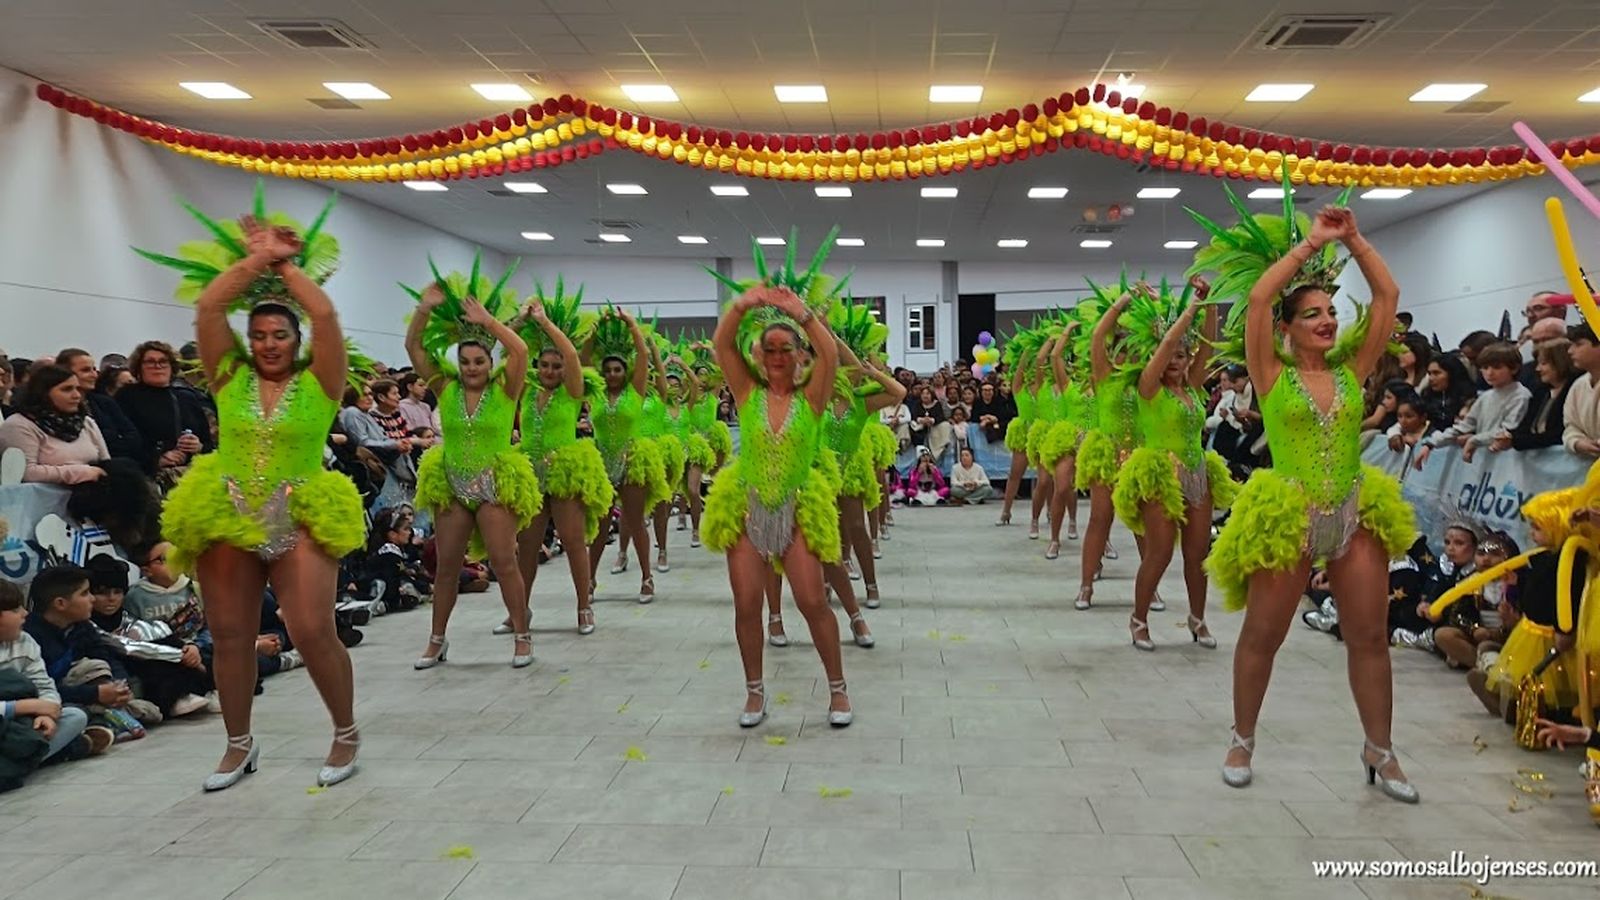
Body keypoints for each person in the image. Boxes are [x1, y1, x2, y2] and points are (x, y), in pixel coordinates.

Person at [1196, 198, 1417, 801]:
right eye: (1312, 314)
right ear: (1288, 328)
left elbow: (1387, 298)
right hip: (1289, 510)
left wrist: (1356, 240)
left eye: (1329, 312)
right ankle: (1242, 737)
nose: (1326, 321)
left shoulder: (1353, 369)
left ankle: (1381, 748)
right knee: (1264, 636)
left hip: (1354, 507)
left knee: (1369, 636)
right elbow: (1261, 300)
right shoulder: (1270, 372)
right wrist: (1313, 244)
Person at [149, 204, 366, 791]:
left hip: (301, 507)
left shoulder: (322, 381)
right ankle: (238, 744)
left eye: (280, 335)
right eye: (260, 335)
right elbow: (209, 306)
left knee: (311, 627)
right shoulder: (229, 376)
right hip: (229, 509)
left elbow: (324, 312)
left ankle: (345, 731)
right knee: (229, 633)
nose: (269, 344)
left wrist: (285, 266)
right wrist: (255, 262)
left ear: (297, 340)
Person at [703, 277, 853, 729]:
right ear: (757, 355)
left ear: (798, 354)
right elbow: (720, 342)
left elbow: (831, 353)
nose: (776, 356)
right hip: (747, 505)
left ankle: (838, 689)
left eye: (785, 348)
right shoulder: (746, 394)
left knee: (811, 600)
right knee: (747, 604)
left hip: (798, 506)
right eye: (768, 349)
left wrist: (799, 310)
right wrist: (745, 302)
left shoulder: (813, 397)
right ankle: (754, 692)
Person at [406, 275, 540, 670]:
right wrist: (424, 308)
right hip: (452, 483)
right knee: (446, 567)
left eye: (479, 361)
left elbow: (519, 350)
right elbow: (413, 346)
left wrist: (487, 323)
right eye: (464, 361)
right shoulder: (445, 387)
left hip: (493, 484)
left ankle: (521, 634)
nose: (471, 368)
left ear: (489, 361)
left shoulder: (506, 390)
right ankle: (436, 640)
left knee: (504, 561)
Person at [1112, 278, 1232, 651]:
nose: (1176, 361)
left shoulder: (1193, 388)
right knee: (1160, 553)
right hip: (1161, 477)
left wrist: (1208, 300)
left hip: (1197, 474)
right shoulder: (1149, 387)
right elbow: (1165, 344)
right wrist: (1191, 309)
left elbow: (1209, 347)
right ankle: (1139, 619)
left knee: (1197, 555)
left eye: (1182, 355)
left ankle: (1197, 619)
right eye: (1171, 355)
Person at [512, 293, 613, 635]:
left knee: (572, 541)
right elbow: (506, 354)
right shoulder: (524, 390)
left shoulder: (572, 391)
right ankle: (519, 609)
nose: (551, 371)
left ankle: (584, 606)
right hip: (529, 470)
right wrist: (520, 322)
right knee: (526, 546)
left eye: (556, 366)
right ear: (537, 366)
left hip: (564, 471)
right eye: (545, 365)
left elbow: (571, 354)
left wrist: (543, 322)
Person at [584, 308, 669, 604]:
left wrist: (632, 325)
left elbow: (644, 357)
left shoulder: (636, 391)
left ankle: (647, 578)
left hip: (631, 462)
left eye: (616, 370)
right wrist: (594, 333)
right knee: (600, 526)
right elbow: (581, 363)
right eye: (606, 371)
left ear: (626, 371)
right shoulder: (593, 393)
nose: (610, 375)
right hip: (601, 464)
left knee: (635, 522)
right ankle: (589, 580)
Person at [0, 579, 99, 763]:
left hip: (19, 724)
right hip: (11, 716)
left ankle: (25, 760)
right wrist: (23, 707)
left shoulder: (24, 641)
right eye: (15, 610)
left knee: (75, 716)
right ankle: (53, 753)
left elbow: (43, 684)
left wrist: (47, 713)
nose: (25, 614)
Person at [114, 340, 213, 484]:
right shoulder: (126, 396)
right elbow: (124, 442)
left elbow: (208, 442)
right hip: (151, 478)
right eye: (150, 362)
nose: (157, 366)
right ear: (139, 367)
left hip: (192, 478)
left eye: (163, 361)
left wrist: (199, 447)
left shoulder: (187, 397)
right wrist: (157, 459)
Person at [1417, 341, 1529, 467]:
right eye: (1485, 368)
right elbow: (1464, 427)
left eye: (1497, 367)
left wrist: (1474, 440)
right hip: (1484, 463)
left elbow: (1507, 431)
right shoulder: (1485, 397)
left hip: (1507, 464)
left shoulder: (1521, 396)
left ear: (1514, 368)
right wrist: (1431, 443)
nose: (1489, 373)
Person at [55, 348, 143, 461]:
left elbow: (133, 438)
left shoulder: (105, 402)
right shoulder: (53, 408)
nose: (94, 375)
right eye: (86, 370)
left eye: (94, 369)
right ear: (65, 372)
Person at [1505, 338, 1574, 451]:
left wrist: (1516, 441)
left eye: (1543, 363)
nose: (1538, 369)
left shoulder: (1573, 390)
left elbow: (1558, 434)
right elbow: (1525, 426)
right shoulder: (1541, 392)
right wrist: (1511, 436)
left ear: (1560, 361)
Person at [1562, 322, 1600, 458]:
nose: (1570, 351)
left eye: (1578, 344)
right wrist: (1577, 442)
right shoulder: (1578, 386)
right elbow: (1570, 425)